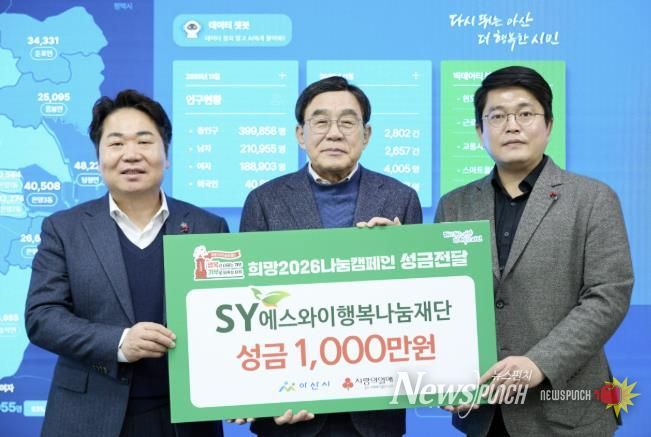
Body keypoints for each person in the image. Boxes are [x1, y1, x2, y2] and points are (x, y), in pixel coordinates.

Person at [435, 66, 633, 436]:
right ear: (479, 131)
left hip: (566, 413)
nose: (512, 126)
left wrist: (539, 362)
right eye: (497, 116)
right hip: (484, 410)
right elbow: (442, 298)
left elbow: (608, 295)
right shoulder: (454, 205)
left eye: (525, 113)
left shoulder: (593, 199)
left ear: (549, 125)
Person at [25, 90, 228, 437]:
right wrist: (119, 343)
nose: (131, 154)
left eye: (145, 142)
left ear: (166, 155)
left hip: (185, 420)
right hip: (88, 416)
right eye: (116, 143)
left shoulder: (208, 227)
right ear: (98, 157)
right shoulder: (64, 229)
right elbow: (42, 317)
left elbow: (229, 318)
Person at [239, 76, 422, 436]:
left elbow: (419, 304)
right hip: (290, 408)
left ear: (366, 134)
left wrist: (400, 257)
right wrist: (262, 394)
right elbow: (248, 302)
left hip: (373, 412)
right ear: (300, 134)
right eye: (321, 121)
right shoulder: (264, 201)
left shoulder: (400, 198)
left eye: (347, 122)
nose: (334, 133)